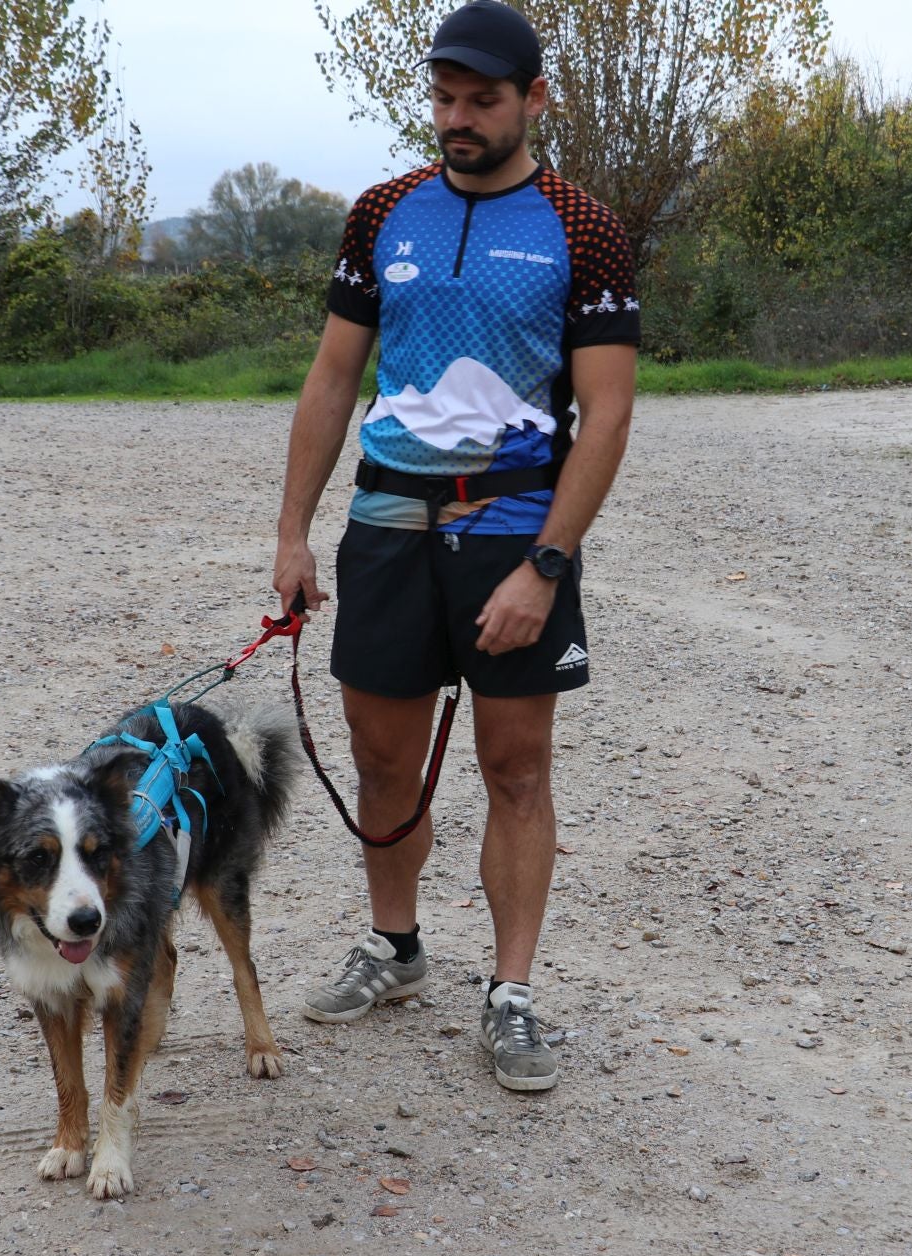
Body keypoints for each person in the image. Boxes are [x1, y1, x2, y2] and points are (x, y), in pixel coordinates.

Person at [272, 0, 638, 1093]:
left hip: (516, 520)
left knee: (515, 767)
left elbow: (607, 415)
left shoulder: (584, 226)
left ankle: (513, 992)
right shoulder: (384, 212)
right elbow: (335, 377)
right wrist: (293, 531)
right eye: (444, 97)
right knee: (383, 759)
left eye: (483, 99)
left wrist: (548, 565)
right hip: (386, 517)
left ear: (534, 99)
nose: (459, 118)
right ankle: (396, 946)